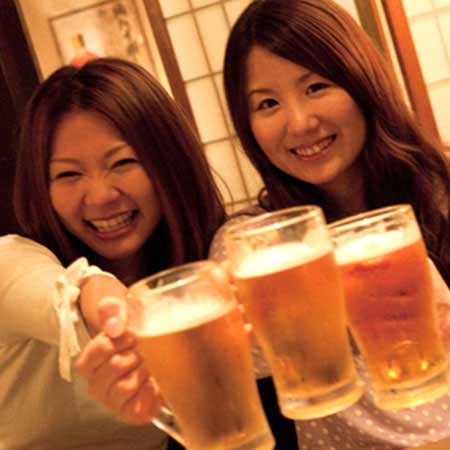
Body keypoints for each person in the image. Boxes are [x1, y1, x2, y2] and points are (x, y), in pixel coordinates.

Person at [208, 0, 450, 449]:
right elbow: (249, 364)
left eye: (316, 87)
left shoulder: (442, 188)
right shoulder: (252, 245)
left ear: (362, 81)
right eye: (267, 103)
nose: (300, 122)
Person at [0, 57, 224, 450]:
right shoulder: (12, 262)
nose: (101, 196)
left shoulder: (199, 276)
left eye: (123, 163)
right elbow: (65, 296)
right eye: (69, 174)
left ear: (170, 163)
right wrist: (106, 304)